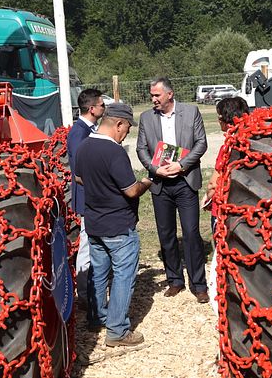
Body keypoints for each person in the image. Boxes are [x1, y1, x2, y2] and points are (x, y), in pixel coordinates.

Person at [74, 103, 152, 347]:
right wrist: (148, 181)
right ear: (118, 124)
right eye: (127, 127)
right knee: (122, 276)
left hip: (94, 222)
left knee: (98, 272)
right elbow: (131, 191)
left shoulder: (85, 145)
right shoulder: (114, 152)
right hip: (118, 224)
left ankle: (97, 317)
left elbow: (78, 177)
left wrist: (100, 187)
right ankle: (118, 331)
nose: (127, 132)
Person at [136, 77, 209, 303]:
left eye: (157, 95)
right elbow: (141, 148)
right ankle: (174, 280)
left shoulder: (191, 112)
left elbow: (201, 143)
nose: (153, 99)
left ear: (169, 94)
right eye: (151, 96)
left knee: (191, 233)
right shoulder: (146, 118)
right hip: (161, 185)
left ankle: (198, 284)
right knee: (166, 235)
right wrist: (155, 169)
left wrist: (182, 164)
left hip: (185, 181)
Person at [201, 97, 250, 315]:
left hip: (223, 211)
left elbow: (215, 182)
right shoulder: (252, 139)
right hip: (246, 211)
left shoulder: (229, 146)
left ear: (223, 120)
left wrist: (209, 195)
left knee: (223, 254)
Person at [66, 88, 104, 308]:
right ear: (92, 109)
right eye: (101, 105)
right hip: (88, 197)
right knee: (88, 244)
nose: (103, 108)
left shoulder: (86, 129)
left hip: (91, 195)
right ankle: (85, 293)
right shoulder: (79, 133)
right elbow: (81, 170)